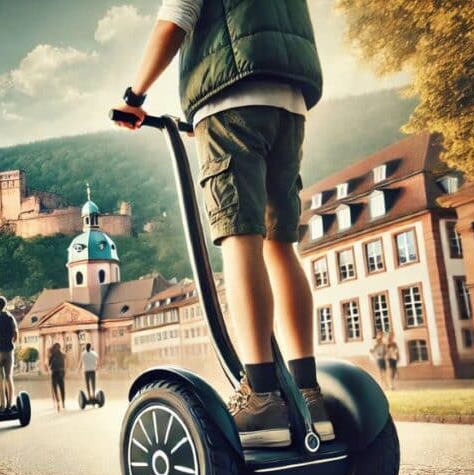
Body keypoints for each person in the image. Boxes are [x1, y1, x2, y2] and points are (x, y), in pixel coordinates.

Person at [113, 0, 334, 447]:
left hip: (231, 102)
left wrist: (134, 97)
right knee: (281, 244)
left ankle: (262, 395)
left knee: (241, 239)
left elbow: (176, 17)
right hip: (289, 102)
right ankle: (309, 394)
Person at [46, 342, 67, 411]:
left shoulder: (53, 355)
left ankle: (58, 403)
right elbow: (64, 365)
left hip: (55, 372)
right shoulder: (62, 355)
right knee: (61, 389)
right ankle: (62, 403)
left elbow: (49, 364)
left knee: (55, 389)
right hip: (59, 372)